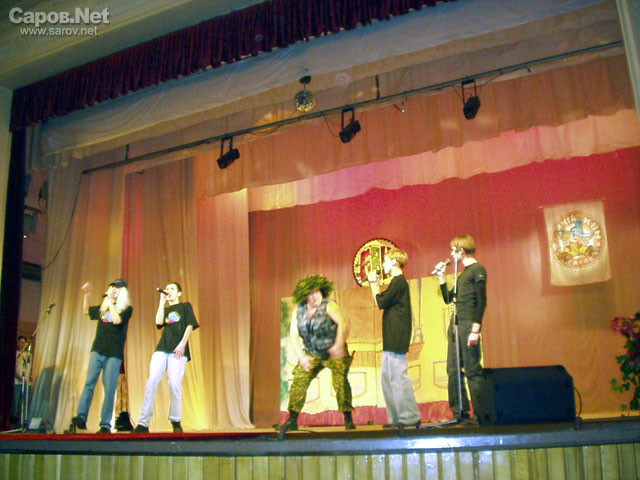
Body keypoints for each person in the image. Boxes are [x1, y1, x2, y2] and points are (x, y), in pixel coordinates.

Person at [278, 275, 355, 432]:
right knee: (299, 379)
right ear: (305, 296)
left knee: (340, 381)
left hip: (333, 350)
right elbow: (293, 335)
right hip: (313, 352)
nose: (315, 297)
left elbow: (343, 323)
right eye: (311, 294)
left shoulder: (329, 305)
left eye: (317, 292)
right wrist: (302, 357)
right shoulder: (299, 311)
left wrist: (338, 345)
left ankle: (348, 418)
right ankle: (292, 420)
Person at [133, 282, 198, 433]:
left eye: (172, 289)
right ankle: (143, 423)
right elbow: (158, 322)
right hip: (162, 349)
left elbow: (190, 326)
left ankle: (176, 421)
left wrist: (182, 344)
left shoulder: (185, 306)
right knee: (152, 382)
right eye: (167, 289)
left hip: (178, 351)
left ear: (179, 293)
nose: (168, 291)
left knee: (174, 385)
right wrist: (162, 302)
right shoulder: (166, 309)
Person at [367, 248, 421, 429]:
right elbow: (382, 300)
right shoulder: (395, 283)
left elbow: (381, 302)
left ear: (395, 262)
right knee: (387, 378)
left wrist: (373, 283)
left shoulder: (399, 282)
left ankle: (409, 416)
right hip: (391, 337)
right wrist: (375, 284)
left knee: (398, 377)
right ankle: (396, 418)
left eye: (385, 261)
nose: (383, 265)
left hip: (397, 337)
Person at [436, 234, 487, 425]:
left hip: (468, 324)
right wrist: (442, 278)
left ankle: (481, 415)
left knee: (472, 370)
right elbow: (448, 298)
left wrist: (475, 328)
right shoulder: (462, 274)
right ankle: (460, 411)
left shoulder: (477, 270)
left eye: (453, 250)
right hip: (456, 324)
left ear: (462, 251)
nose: (451, 254)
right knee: (453, 369)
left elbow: (482, 301)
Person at [70, 279, 133, 433]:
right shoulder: (103, 308)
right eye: (112, 287)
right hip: (97, 350)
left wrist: (110, 302)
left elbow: (117, 320)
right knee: (89, 383)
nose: (113, 290)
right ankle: (81, 417)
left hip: (114, 353)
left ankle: (105, 424)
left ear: (123, 292)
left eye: (117, 288)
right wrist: (87, 294)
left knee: (109, 389)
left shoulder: (126, 309)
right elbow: (86, 311)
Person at [12, 336, 32, 429]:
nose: (22, 344)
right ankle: (13, 422)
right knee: (15, 403)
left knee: (23, 404)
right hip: (17, 382)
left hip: (26, 383)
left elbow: (29, 367)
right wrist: (20, 378)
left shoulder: (28, 355)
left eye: (24, 342)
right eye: (21, 342)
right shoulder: (16, 354)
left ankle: (21, 423)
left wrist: (28, 378)